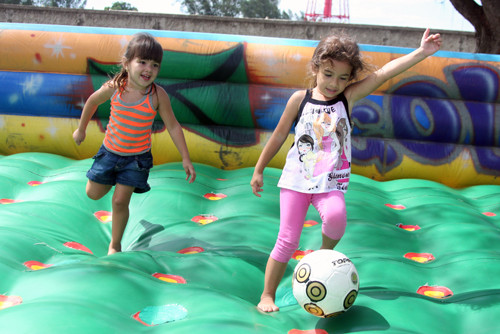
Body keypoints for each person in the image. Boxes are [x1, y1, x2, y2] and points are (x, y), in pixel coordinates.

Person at [250, 29, 442, 312]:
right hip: (296, 181)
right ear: (316, 67)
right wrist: (259, 169)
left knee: (337, 219)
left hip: (329, 183)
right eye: (328, 74)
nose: (334, 83)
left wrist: (422, 52)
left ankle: (321, 259)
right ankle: (267, 294)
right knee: (287, 239)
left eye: (343, 78)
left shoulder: (345, 99)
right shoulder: (298, 100)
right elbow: (279, 135)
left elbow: (384, 74)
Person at [73, 32, 196, 255]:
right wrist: (81, 129)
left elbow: (174, 126)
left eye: (155, 64)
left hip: (136, 159)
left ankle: (115, 244)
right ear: (127, 63)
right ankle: (110, 178)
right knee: (93, 193)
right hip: (110, 152)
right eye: (142, 62)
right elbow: (92, 101)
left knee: (120, 201)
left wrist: (186, 158)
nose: (148, 69)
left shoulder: (157, 95)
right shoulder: (115, 87)